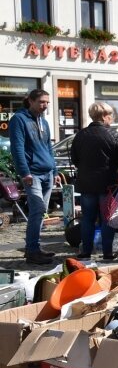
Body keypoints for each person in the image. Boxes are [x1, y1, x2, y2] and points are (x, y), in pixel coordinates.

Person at [8, 89, 60, 265]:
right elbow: (17, 148)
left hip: (47, 174)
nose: (44, 105)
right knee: (37, 210)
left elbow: (49, 149)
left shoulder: (43, 122)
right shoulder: (19, 119)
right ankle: (32, 250)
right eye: (41, 102)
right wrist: (25, 172)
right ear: (30, 101)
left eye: (47, 102)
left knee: (41, 213)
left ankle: (35, 248)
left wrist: (55, 171)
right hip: (33, 174)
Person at [70, 102, 118, 260]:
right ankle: (107, 253)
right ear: (104, 116)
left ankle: (85, 252)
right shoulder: (113, 135)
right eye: (111, 115)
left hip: (86, 183)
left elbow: (75, 158)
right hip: (108, 183)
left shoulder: (81, 134)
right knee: (107, 218)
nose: (112, 118)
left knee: (87, 218)